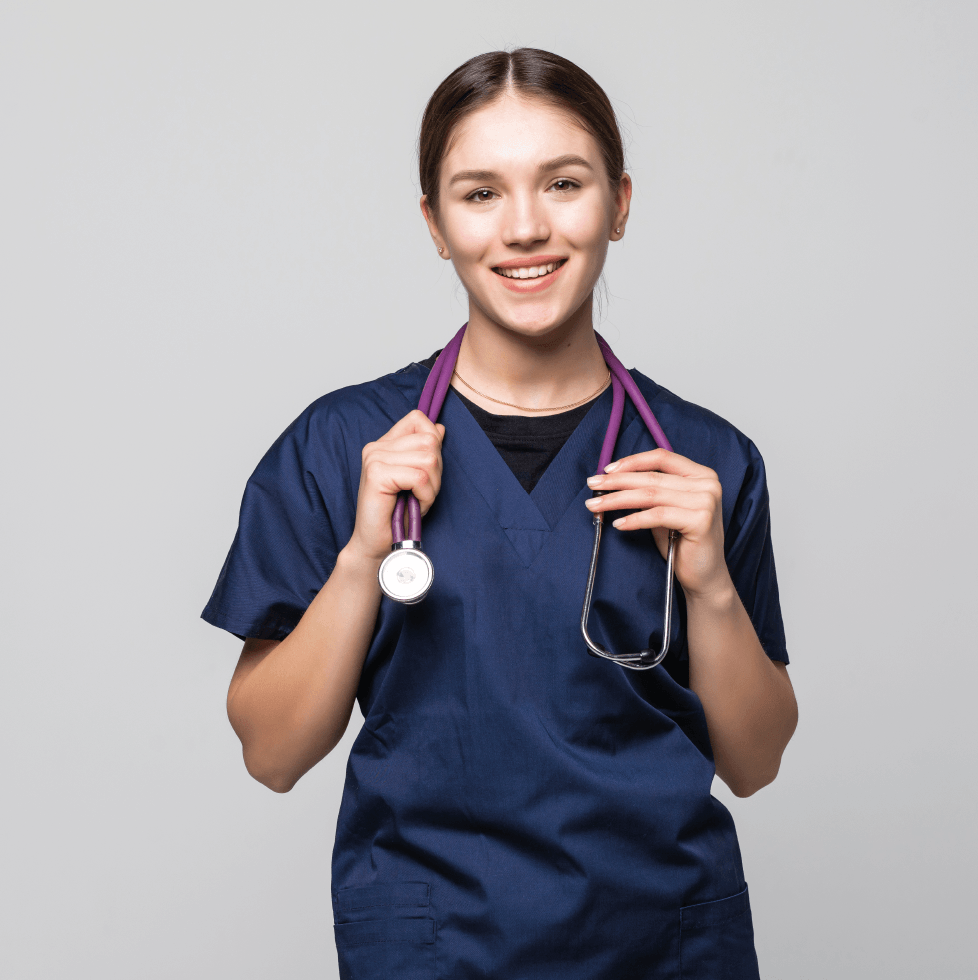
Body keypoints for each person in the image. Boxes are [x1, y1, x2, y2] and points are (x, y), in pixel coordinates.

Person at [202, 47, 798, 980]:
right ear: (436, 225)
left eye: (563, 183)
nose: (525, 227)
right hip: (438, 951)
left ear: (621, 203)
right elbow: (272, 754)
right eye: (480, 194)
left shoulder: (704, 460)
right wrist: (363, 556)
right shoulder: (341, 447)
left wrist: (712, 586)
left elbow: (755, 762)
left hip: (667, 945)